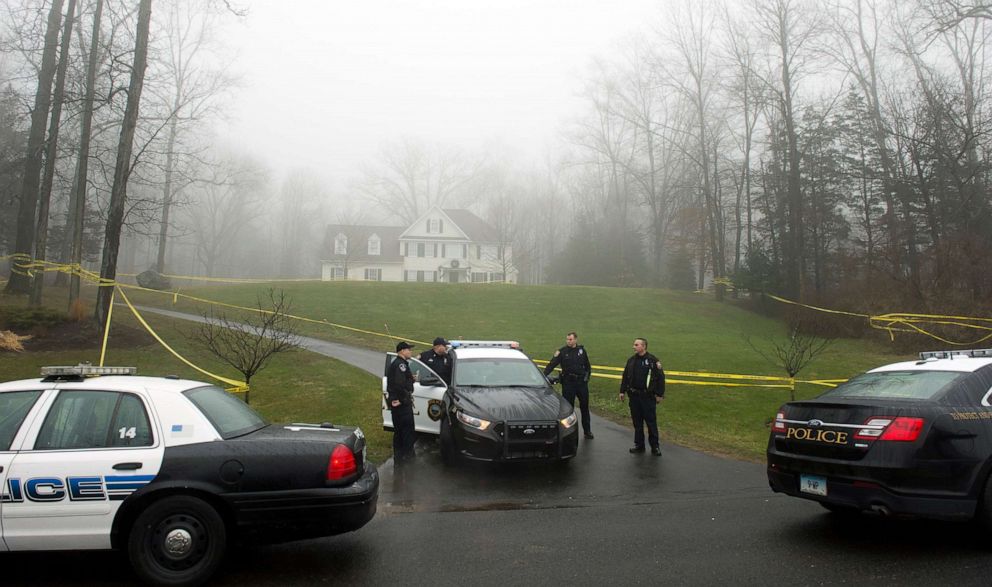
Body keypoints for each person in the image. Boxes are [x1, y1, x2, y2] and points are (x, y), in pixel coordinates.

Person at [619, 337, 665, 456]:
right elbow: (625, 376)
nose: (634, 347)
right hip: (634, 397)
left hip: (647, 397)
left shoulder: (652, 361)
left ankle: (655, 447)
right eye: (634, 345)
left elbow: (660, 378)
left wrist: (659, 394)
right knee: (637, 422)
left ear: (644, 347)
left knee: (651, 422)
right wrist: (622, 391)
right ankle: (639, 445)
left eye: (636, 345)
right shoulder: (631, 360)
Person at [544, 331, 593, 439]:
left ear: (575, 340)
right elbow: (551, 364)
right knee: (568, 409)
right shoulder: (562, 352)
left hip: (581, 384)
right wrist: (543, 376)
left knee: (584, 407)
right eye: (567, 339)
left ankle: (587, 431)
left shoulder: (581, 351)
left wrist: (586, 378)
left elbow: (588, 367)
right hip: (568, 383)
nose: (568, 341)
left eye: (570, 339)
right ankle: (568, 433)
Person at [386, 341, 417, 463]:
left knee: (399, 431)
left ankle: (399, 458)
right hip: (402, 405)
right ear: (402, 351)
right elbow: (400, 385)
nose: (410, 351)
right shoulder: (400, 365)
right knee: (406, 431)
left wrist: (410, 378)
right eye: (409, 349)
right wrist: (404, 399)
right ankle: (407, 458)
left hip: (398, 403)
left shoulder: (399, 364)